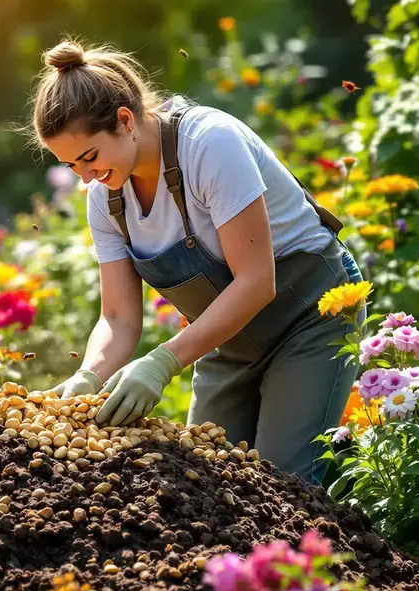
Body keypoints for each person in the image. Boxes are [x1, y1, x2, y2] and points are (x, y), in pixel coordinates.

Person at [29, 40, 365, 483]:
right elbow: (117, 317)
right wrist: (88, 376)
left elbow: (257, 281)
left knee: (286, 486)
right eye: (71, 165)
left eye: (89, 157)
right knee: (203, 484)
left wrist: (163, 362)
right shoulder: (105, 200)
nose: (86, 176)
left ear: (125, 121)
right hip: (228, 341)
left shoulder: (208, 144)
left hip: (310, 317)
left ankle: (346, 500)